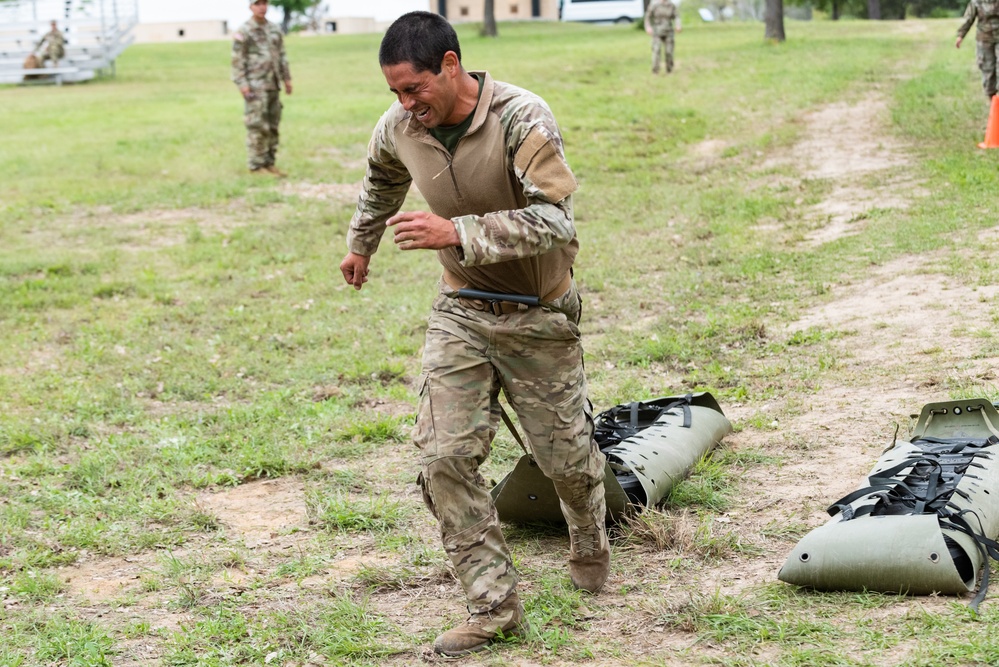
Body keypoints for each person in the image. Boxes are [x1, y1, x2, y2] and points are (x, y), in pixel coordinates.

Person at [339, 11, 610, 658]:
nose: (406, 106)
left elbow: (555, 220)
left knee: (565, 460)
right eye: (395, 94)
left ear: (452, 66)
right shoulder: (400, 125)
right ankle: (493, 604)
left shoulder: (521, 116)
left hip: (537, 310)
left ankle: (589, 534)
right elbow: (382, 179)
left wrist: (458, 231)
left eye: (415, 89)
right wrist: (361, 244)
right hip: (461, 309)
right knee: (442, 459)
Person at [231, 0, 292, 176]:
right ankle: (256, 166)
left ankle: (269, 163)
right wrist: (242, 85)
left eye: (264, 3)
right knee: (257, 126)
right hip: (254, 86)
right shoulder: (244, 31)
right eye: (257, 4)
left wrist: (286, 78)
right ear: (251, 7)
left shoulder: (274, 29)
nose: (262, 7)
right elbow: (237, 61)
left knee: (273, 126)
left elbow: (281, 55)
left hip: (273, 85)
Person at [956, 0, 999, 100]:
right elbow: (968, 19)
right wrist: (960, 35)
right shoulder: (976, 2)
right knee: (987, 68)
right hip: (984, 39)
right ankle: (992, 102)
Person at [644, 0, 681, 75]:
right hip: (657, 31)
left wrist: (678, 25)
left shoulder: (671, 5)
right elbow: (647, 16)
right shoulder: (654, 4)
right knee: (656, 50)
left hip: (668, 31)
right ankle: (655, 71)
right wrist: (648, 27)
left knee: (669, 51)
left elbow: (676, 16)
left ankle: (669, 70)